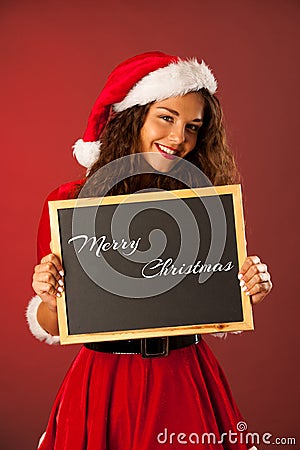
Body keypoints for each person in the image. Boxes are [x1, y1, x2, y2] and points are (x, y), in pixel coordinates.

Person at [26, 51, 272, 450]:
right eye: (167, 117)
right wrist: (49, 298)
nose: (179, 138)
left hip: (184, 379)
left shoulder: (202, 203)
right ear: (133, 116)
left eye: (193, 126)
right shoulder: (72, 203)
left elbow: (215, 303)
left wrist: (249, 284)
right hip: (103, 383)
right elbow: (53, 323)